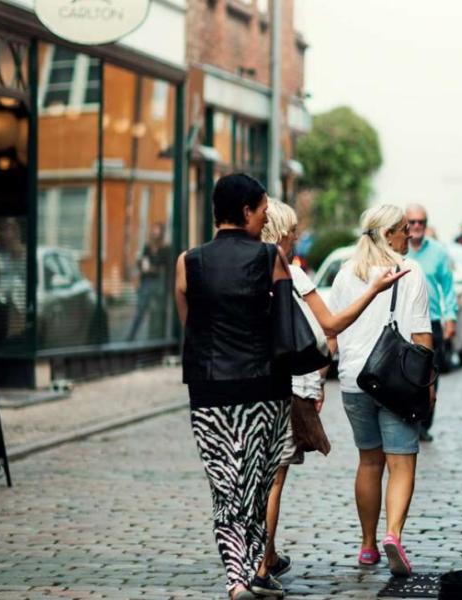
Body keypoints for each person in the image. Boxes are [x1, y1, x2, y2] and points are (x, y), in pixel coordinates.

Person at [257, 200, 403, 581]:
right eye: (292, 232)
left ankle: (264, 553)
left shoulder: (245, 270)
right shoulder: (291, 274)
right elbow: (330, 326)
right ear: (279, 234)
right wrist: (373, 290)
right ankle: (262, 562)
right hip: (289, 385)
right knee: (274, 478)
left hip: (250, 382)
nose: (297, 239)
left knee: (255, 476)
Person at [173, 173, 292, 600]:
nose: (265, 219)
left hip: (209, 390)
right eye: (262, 210)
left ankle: (236, 579)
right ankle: (249, 573)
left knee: (225, 484)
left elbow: (191, 325)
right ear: (245, 212)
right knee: (257, 483)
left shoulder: (189, 261)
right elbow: (284, 324)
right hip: (263, 388)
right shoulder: (269, 258)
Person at [326, 204, 434, 577]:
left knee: (369, 461)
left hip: (355, 380)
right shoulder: (410, 271)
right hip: (397, 381)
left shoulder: (345, 274)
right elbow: (421, 333)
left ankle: (368, 545)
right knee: (401, 461)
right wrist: (428, 383)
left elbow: (333, 331)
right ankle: (393, 535)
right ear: (387, 234)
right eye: (404, 229)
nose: (410, 235)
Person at [406, 203, 458, 442]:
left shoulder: (438, 252)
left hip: (432, 321)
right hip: (403, 322)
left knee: (430, 375)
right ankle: (407, 420)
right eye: (413, 222)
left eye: (421, 222)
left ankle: (424, 424)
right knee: (404, 373)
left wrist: (451, 317)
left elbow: (448, 287)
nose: (417, 226)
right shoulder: (397, 249)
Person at [127, 222, 172, 341]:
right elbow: (142, 263)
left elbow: (165, 268)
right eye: (154, 230)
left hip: (159, 284)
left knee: (158, 312)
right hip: (147, 282)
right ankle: (131, 337)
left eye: (157, 230)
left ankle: (157, 338)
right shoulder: (147, 247)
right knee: (140, 310)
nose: (155, 233)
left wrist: (153, 269)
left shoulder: (166, 249)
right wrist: (143, 266)